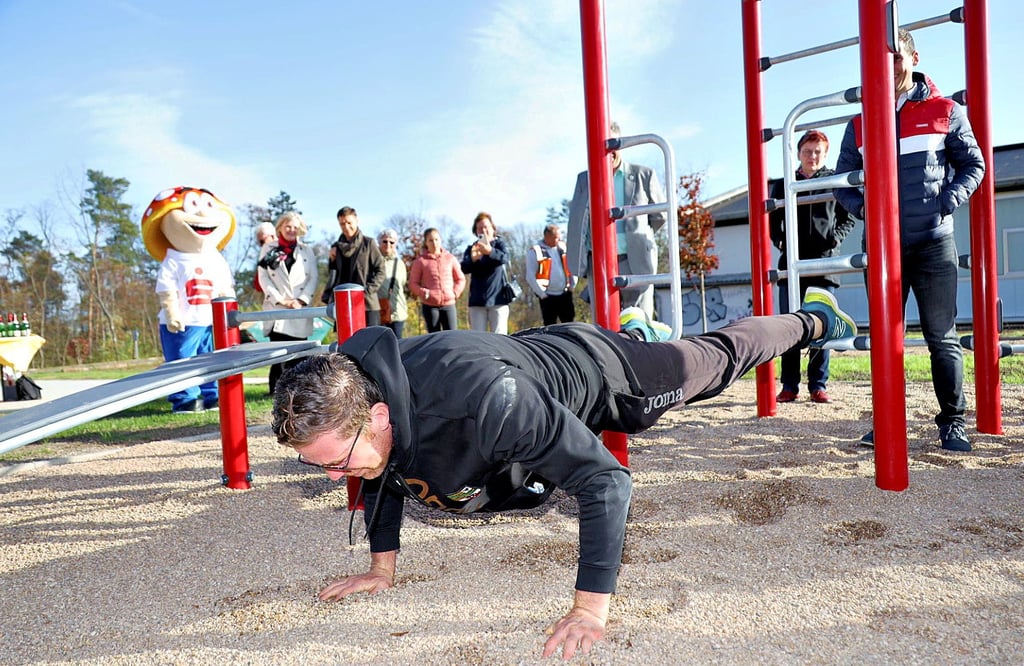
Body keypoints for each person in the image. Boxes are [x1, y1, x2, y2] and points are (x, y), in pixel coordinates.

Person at [271, 287, 857, 660]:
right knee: (394, 453)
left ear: (379, 413)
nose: (333, 478)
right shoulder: (370, 406)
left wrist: (589, 609)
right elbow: (385, 469)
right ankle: (638, 329)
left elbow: (606, 482)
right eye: (320, 466)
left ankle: (809, 318)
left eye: (336, 462)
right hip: (531, 359)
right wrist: (381, 568)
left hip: (605, 375)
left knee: (717, 359)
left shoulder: (486, 403)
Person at [834, 29, 985, 452]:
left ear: (913, 57)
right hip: (883, 248)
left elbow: (973, 164)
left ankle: (952, 423)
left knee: (942, 337)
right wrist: (866, 210)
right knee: (886, 339)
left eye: (897, 58)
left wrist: (947, 201)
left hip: (934, 241)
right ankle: (886, 423)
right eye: (881, 60)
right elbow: (842, 183)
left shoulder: (944, 109)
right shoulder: (861, 122)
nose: (890, 67)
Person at [769, 130, 853, 404]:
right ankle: (789, 385)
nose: (812, 156)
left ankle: (818, 384)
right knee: (790, 324)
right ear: (798, 153)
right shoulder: (784, 184)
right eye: (807, 151)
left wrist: (834, 238)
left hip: (824, 263)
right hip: (791, 265)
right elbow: (773, 224)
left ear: (825, 154)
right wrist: (783, 244)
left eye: (818, 151)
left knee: (821, 322)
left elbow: (848, 216)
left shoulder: (833, 181)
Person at [567, 121, 666, 319]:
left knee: (639, 320)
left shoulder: (643, 175)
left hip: (635, 259)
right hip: (599, 261)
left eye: (612, 144)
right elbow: (578, 221)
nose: (608, 151)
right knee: (603, 320)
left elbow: (659, 216)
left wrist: (637, 236)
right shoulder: (584, 180)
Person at [258, 211, 318, 395]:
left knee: (300, 355)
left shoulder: (307, 250)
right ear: (280, 228)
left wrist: (302, 300)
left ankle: (301, 392)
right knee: (279, 355)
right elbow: (264, 278)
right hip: (278, 309)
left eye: (295, 227)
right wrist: (280, 299)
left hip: (299, 309)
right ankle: (277, 392)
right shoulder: (268, 248)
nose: (291, 230)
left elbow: (313, 277)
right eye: (288, 226)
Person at [324, 207, 386, 326]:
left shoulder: (369, 243)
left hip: (367, 305)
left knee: (371, 342)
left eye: (349, 222)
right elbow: (332, 275)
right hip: (344, 304)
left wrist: (366, 291)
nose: (346, 227)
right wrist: (332, 260)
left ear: (357, 220)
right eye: (342, 224)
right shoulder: (336, 247)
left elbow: (381, 270)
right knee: (347, 343)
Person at [460, 212, 512, 334]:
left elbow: (505, 258)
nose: (483, 230)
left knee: (500, 338)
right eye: (479, 228)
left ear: (493, 229)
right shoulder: (472, 248)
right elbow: (463, 268)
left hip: (498, 300)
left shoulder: (500, 244)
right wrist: (473, 259)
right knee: (478, 339)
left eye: (486, 227)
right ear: (476, 231)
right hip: (477, 302)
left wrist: (490, 252)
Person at [408, 228, 466, 332]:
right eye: (430, 240)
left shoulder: (450, 258)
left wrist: (455, 293)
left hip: (449, 304)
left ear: (440, 240)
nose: (434, 243)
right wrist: (423, 292)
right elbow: (413, 283)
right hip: (430, 306)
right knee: (434, 338)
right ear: (426, 242)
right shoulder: (420, 261)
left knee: (452, 336)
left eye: (436, 239)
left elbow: (460, 279)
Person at [526, 223, 577, 325]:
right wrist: (542, 295)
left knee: (569, 324)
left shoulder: (563, 248)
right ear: (547, 237)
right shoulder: (536, 251)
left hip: (565, 294)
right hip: (547, 297)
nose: (558, 240)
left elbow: (572, 266)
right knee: (550, 325)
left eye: (558, 238)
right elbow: (530, 276)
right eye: (555, 238)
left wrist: (572, 286)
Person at [376, 229, 408, 339]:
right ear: (379, 243)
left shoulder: (400, 264)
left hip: (398, 311)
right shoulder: (373, 261)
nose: (388, 244)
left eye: (392, 242)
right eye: (384, 241)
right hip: (379, 312)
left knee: (398, 345)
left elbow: (403, 282)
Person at [252, 222, 277, 294]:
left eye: (262, 241)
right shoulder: (265, 258)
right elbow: (258, 285)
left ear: (272, 236)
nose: (261, 245)